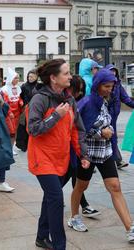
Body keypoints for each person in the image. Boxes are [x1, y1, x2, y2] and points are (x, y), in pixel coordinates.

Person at [27, 59, 89, 250]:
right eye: (66, 73)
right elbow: (33, 129)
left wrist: (83, 154)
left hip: (60, 159)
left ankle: (41, 237)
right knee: (56, 199)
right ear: (53, 78)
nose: (70, 76)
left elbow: (76, 130)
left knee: (50, 197)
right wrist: (56, 116)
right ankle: (60, 246)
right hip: (42, 159)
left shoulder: (69, 99)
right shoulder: (39, 98)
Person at [68, 69, 134, 243]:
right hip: (87, 155)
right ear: (97, 85)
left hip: (105, 154)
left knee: (115, 187)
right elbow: (78, 131)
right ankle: (74, 217)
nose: (109, 90)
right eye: (106, 86)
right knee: (81, 187)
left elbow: (108, 124)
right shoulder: (87, 103)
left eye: (111, 87)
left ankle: (130, 229)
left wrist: (109, 131)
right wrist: (99, 132)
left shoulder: (107, 101)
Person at [63, 75, 100, 218]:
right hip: (67, 146)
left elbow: (81, 127)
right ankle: (54, 200)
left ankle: (83, 205)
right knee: (66, 176)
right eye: (76, 90)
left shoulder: (82, 102)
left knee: (75, 175)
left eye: (81, 90)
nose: (79, 93)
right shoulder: (64, 101)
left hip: (78, 146)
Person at [105, 64, 134, 169]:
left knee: (111, 137)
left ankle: (115, 160)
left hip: (114, 115)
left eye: (114, 71)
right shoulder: (105, 85)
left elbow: (126, 99)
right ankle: (117, 160)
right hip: (106, 115)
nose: (113, 73)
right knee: (111, 137)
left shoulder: (118, 85)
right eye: (111, 71)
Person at [1, 68, 23, 155]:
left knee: (16, 130)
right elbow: (5, 102)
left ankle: (12, 146)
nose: (17, 80)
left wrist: (21, 102)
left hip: (17, 113)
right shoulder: (5, 89)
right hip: (9, 113)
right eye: (15, 78)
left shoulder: (18, 88)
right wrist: (9, 112)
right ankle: (8, 147)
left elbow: (19, 97)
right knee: (11, 131)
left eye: (18, 78)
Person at [16, 69, 38, 151]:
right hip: (25, 109)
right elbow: (20, 97)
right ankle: (23, 145)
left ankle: (32, 145)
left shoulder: (38, 86)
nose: (30, 78)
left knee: (33, 126)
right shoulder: (24, 86)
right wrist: (23, 104)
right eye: (29, 76)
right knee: (23, 127)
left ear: (36, 77)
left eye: (32, 77)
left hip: (35, 109)